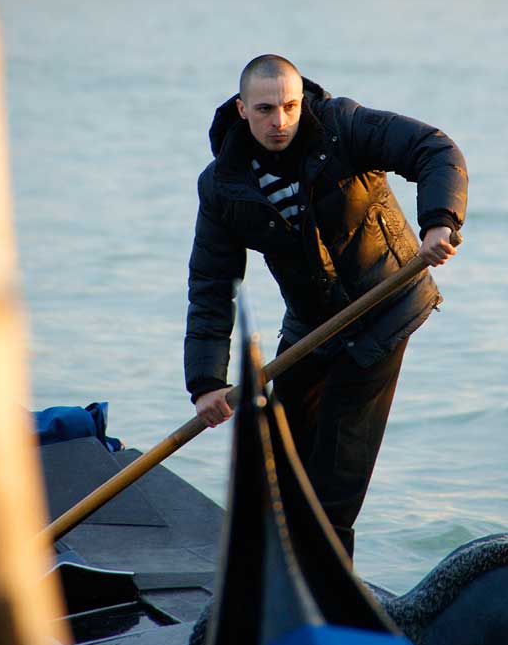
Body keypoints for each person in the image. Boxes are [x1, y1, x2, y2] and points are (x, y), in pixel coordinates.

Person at [184, 55, 468, 558]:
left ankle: (327, 600)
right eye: (266, 109)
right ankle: (281, 579)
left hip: (384, 308)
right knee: (278, 462)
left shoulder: (344, 127)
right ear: (241, 108)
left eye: (290, 106)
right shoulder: (224, 185)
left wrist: (439, 222)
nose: (280, 122)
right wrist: (207, 382)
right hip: (311, 322)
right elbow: (211, 285)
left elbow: (434, 149)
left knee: (334, 478)